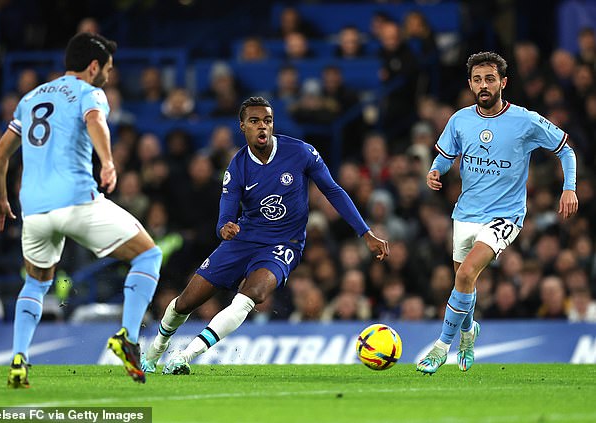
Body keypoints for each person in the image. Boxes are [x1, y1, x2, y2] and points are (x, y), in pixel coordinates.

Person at [141, 96, 389, 375]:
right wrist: (225, 228)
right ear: (243, 126)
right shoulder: (237, 168)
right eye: (255, 121)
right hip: (243, 241)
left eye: (267, 121)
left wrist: (365, 232)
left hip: (284, 244)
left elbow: (333, 190)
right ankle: (153, 353)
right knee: (186, 302)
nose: (262, 127)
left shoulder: (301, 153)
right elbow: (225, 216)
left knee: (252, 295)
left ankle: (185, 356)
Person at [0, 33, 161, 387]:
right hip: (77, 202)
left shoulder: (30, 98)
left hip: (32, 211)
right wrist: (108, 162)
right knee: (148, 256)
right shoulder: (89, 93)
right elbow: (95, 120)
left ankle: (19, 359)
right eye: (107, 68)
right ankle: (128, 339)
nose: (108, 75)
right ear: (94, 67)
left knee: (35, 283)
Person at [416, 52, 579, 375]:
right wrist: (435, 171)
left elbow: (566, 150)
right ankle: (468, 332)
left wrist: (570, 187)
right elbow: (446, 156)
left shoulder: (525, 120)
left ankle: (440, 348)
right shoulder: (459, 120)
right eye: (477, 80)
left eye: (490, 79)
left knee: (464, 276)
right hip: (465, 212)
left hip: (505, 215)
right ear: (470, 84)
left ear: (503, 82)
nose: (483, 85)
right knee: (465, 281)